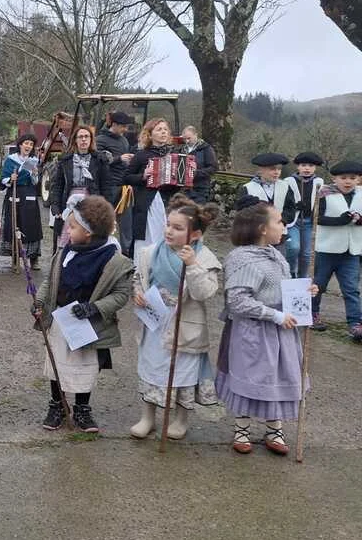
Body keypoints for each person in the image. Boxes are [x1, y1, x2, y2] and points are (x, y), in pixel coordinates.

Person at [216, 196, 315, 455]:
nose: (284, 226)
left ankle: (274, 429)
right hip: (252, 332)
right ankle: (242, 428)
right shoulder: (241, 259)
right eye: (279, 221)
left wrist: (304, 292)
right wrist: (275, 315)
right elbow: (238, 301)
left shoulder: (276, 255)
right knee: (251, 376)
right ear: (262, 228)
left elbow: (283, 290)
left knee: (279, 377)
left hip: (282, 333)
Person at [32, 195, 132, 433]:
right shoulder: (66, 252)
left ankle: (82, 409)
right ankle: (57, 404)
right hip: (61, 320)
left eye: (73, 227)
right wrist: (39, 302)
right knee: (57, 364)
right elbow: (51, 280)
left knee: (85, 368)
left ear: (88, 232)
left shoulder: (113, 260)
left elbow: (121, 295)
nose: (68, 230)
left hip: (88, 325)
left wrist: (94, 308)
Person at [130, 195, 222, 440]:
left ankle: (181, 419)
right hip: (155, 320)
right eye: (168, 225)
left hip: (185, 324)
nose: (169, 231)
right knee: (151, 367)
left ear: (195, 234)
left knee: (183, 372)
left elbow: (204, 293)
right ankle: (147, 416)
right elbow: (139, 277)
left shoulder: (205, 259)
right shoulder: (150, 252)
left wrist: (192, 265)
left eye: (178, 228)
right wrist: (138, 293)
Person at [310, 160, 362, 339]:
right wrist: (339, 220)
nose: (348, 181)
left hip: (351, 250)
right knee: (319, 285)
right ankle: (312, 314)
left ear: (358, 179)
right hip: (326, 248)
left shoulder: (361, 194)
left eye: (352, 178)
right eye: (343, 178)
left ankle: (355, 323)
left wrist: (359, 220)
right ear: (334, 178)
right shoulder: (325, 193)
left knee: (351, 289)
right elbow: (316, 218)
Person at [123, 118, 182, 257]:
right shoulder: (142, 155)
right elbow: (126, 177)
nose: (163, 132)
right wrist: (143, 176)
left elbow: (174, 187)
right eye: (159, 129)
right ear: (150, 134)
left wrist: (184, 177)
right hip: (146, 205)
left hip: (166, 203)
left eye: (165, 129)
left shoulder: (173, 156)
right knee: (147, 241)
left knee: (165, 238)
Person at [51, 125, 110, 248]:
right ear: (75, 140)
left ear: (91, 140)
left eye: (86, 136)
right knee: (67, 233)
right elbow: (57, 185)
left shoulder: (99, 160)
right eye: (80, 137)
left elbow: (106, 186)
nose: (84, 139)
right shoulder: (66, 160)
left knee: (88, 232)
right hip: (69, 202)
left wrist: (106, 208)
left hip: (91, 201)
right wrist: (56, 207)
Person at [237, 153, 297, 259]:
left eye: (279, 169)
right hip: (256, 237)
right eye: (272, 169)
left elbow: (291, 209)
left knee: (278, 262)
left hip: (279, 236)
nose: (277, 172)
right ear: (261, 170)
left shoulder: (285, 186)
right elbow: (242, 213)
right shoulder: (247, 188)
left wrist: (280, 221)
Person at [0, 134, 44, 268]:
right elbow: (2, 180)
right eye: (26, 143)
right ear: (20, 145)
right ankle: (15, 258)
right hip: (14, 195)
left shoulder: (34, 161)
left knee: (32, 226)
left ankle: (33, 258)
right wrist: (11, 178)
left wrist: (35, 174)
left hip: (29, 197)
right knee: (14, 225)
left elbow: (35, 183)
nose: (28, 146)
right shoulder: (10, 160)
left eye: (31, 144)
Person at [96, 111, 136, 254]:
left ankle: (127, 254)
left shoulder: (124, 140)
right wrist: (119, 159)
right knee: (105, 220)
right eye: (123, 126)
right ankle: (101, 250)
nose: (125, 129)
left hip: (124, 187)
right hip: (108, 186)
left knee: (126, 223)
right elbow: (98, 161)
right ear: (114, 124)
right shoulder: (100, 140)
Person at [284, 151, 325, 278]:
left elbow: (322, 201)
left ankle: (303, 277)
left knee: (307, 253)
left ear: (315, 167)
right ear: (298, 166)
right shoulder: (289, 181)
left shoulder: (319, 182)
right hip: (293, 222)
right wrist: (295, 206)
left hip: (309, 222)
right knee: (293, 247)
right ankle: (291, 272)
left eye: (310, 166)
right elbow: (284, 201)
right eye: (303, 165)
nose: (307, 168)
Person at [178, 126, 217, 203]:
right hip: (184, 191)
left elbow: (213, 168)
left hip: (200, 190)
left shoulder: (206, 149)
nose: (187, 141)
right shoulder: (181, 150)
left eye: (189, 138)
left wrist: (196, 173)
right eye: (185, 139)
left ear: (196, 135)